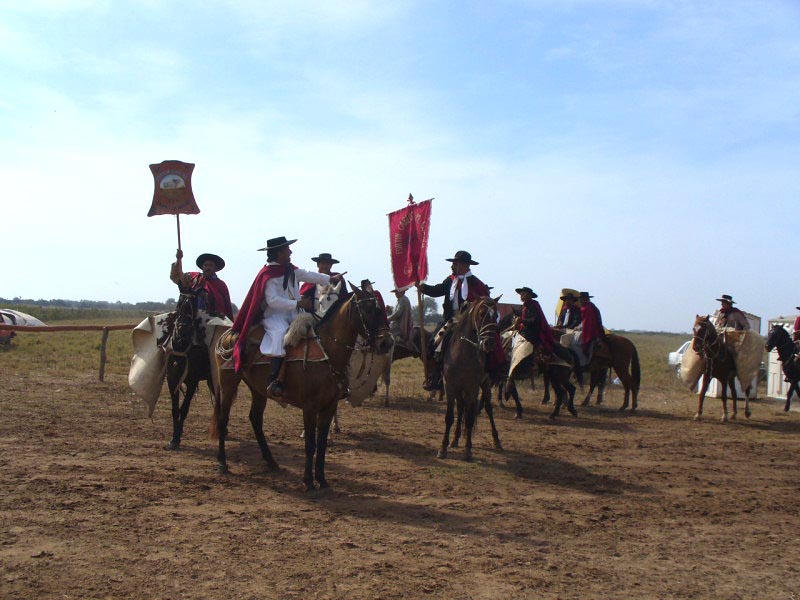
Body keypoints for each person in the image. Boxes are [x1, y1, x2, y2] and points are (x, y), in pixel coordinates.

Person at [230, 236, 345, 398]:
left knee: (317, 330)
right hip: (274, 317)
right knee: (280, 334)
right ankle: (274, 379)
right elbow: (272, 301)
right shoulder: (268, 275)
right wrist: (297, 304)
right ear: (278, 253)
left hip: (294, 314)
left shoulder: (290, 269)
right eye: (287, 250)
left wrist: (329, 279)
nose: (290, 252)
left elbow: (308, 275)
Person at [417, 250, 491, 390]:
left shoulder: (476, 283)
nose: (452, 266)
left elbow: (485, 302)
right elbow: (437, 290)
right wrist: (422, 287)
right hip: (450, 320)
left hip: (470, 322)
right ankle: (436, 377)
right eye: (453, 263)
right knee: (433, 344)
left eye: (455, 263)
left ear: (464, 265)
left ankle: (488, 372)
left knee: (487, 344)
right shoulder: (450, 279)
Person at [170, 249, 233, 320]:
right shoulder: (192, 277)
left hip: (213, 320)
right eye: (205, 265)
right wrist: (178, 259)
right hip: (191, 318)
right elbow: (176, 276)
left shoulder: (221, 285)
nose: (208, 268)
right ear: (202, 267)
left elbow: (227, 306)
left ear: (215, 268)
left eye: (210, 265)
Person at [299, 252, 343, 316]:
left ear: (331, 265)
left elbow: (344, 297)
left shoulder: (337, 279)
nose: (325, 266)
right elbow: (301, 299)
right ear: (318, 265)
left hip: (335, 316)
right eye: (322, 263)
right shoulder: (310, 281)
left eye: (327, 264)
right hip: (313, 316)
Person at [515, 287, 554, 355]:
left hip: (533, 331)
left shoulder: (533, 305)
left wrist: (522, 321)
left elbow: (535, 320)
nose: (521, 295)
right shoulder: (525, 306)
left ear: (528, 295)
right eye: (520, 294)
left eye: (523, 294)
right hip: (525, 330)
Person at [576, 291, 606, 364]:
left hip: (592, 331)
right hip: (589, 329)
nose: (580, 301)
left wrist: (579, 328)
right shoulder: (587, 307)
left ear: (585, 299)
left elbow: (588, 323)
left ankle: (584, 362)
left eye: (581, 299)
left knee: (576, 343)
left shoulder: (588, 308)